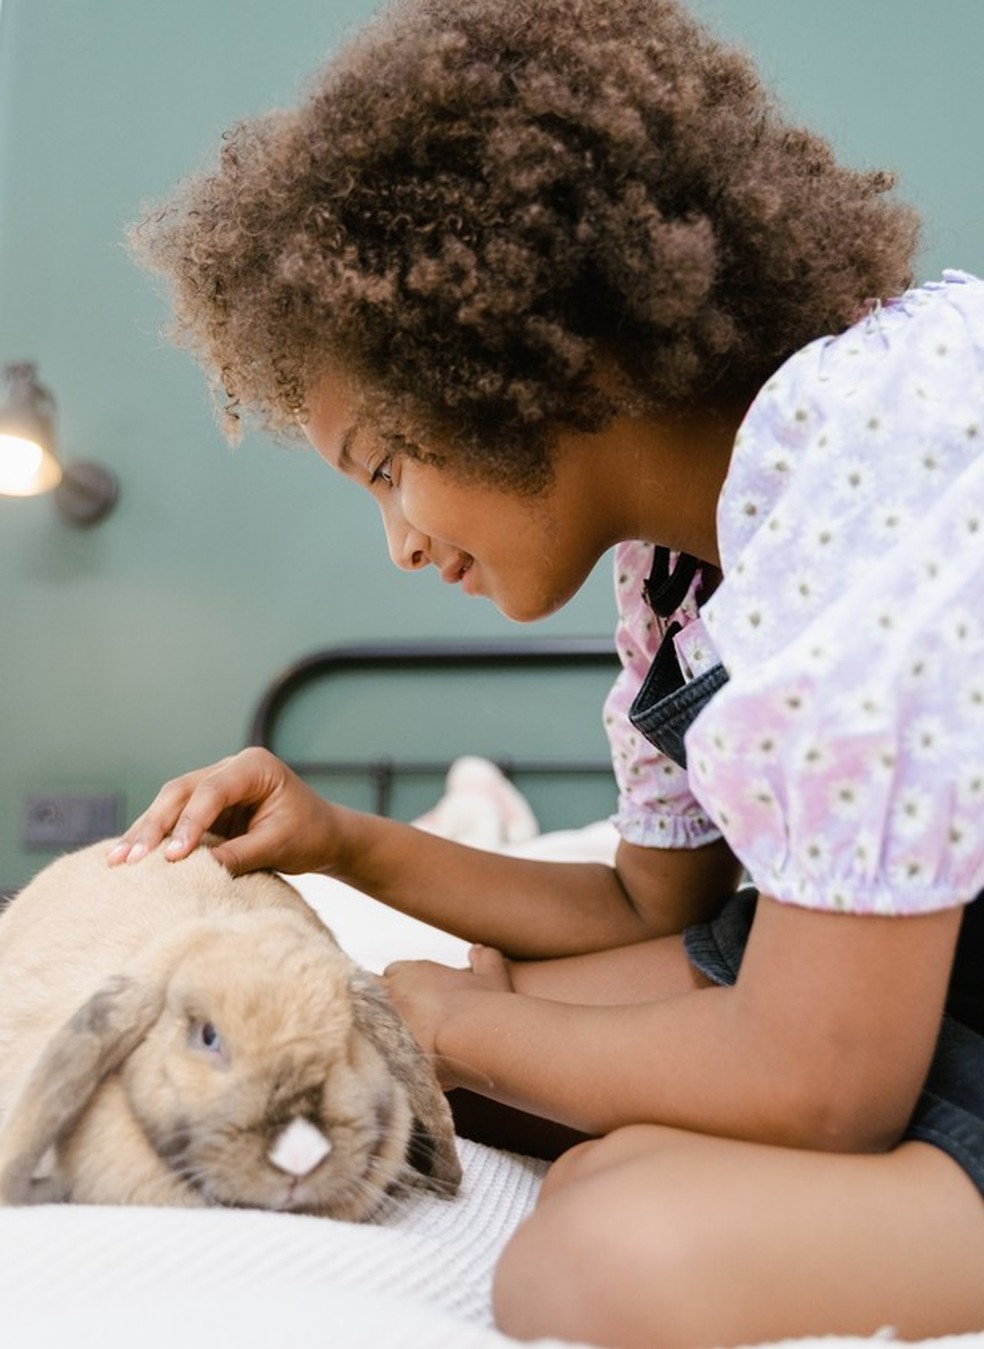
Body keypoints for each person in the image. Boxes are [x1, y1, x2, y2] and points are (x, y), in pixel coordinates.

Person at [111, 1, 984, 1344]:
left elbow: (825, 1077)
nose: (400, 542)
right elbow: (646, 903)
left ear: (532, 354)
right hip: (917, 974)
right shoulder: (682, 569)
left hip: (872, 1019)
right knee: (477, 1061)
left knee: (584, 1260)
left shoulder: (887, 444)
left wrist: (456, 1025)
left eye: (388, 466)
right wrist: (343, 838)